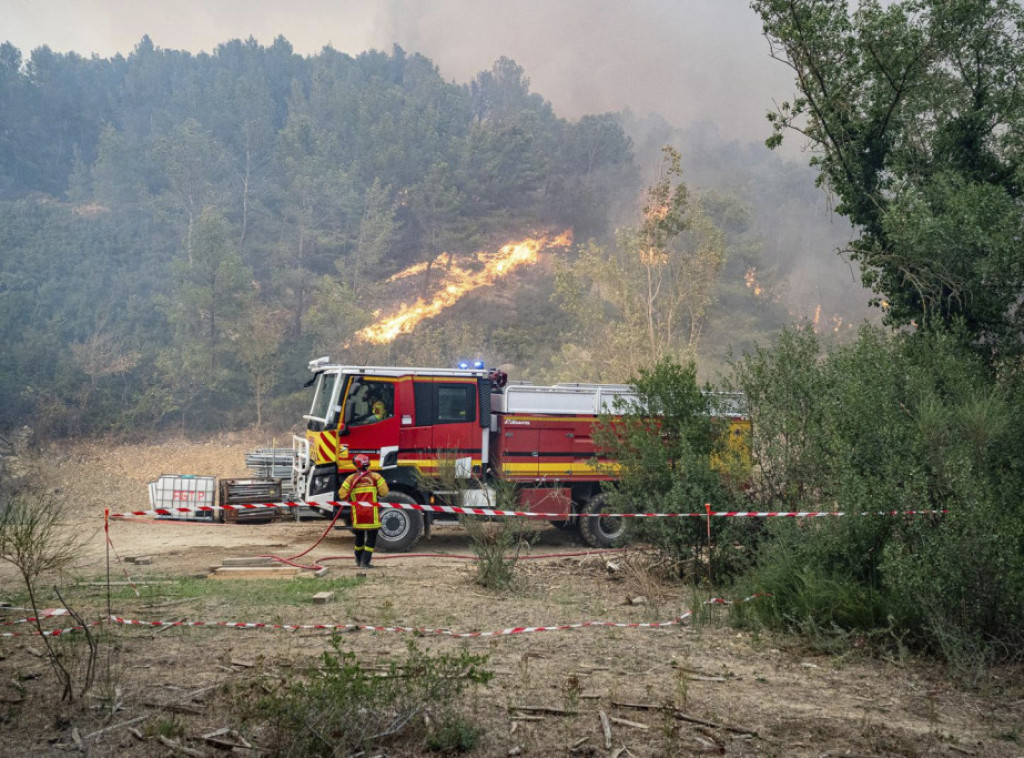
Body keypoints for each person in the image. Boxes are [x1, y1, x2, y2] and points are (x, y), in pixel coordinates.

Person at [337, 453, 389, 568]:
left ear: (356, 464)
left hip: (358, 515)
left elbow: (342, 494)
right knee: (371, 539)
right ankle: (365, 562)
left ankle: (358, 559)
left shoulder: (351, 479)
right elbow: (384, 492)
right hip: (372, 516)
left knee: (359, 537)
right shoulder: (376, 477)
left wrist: (352, 495)